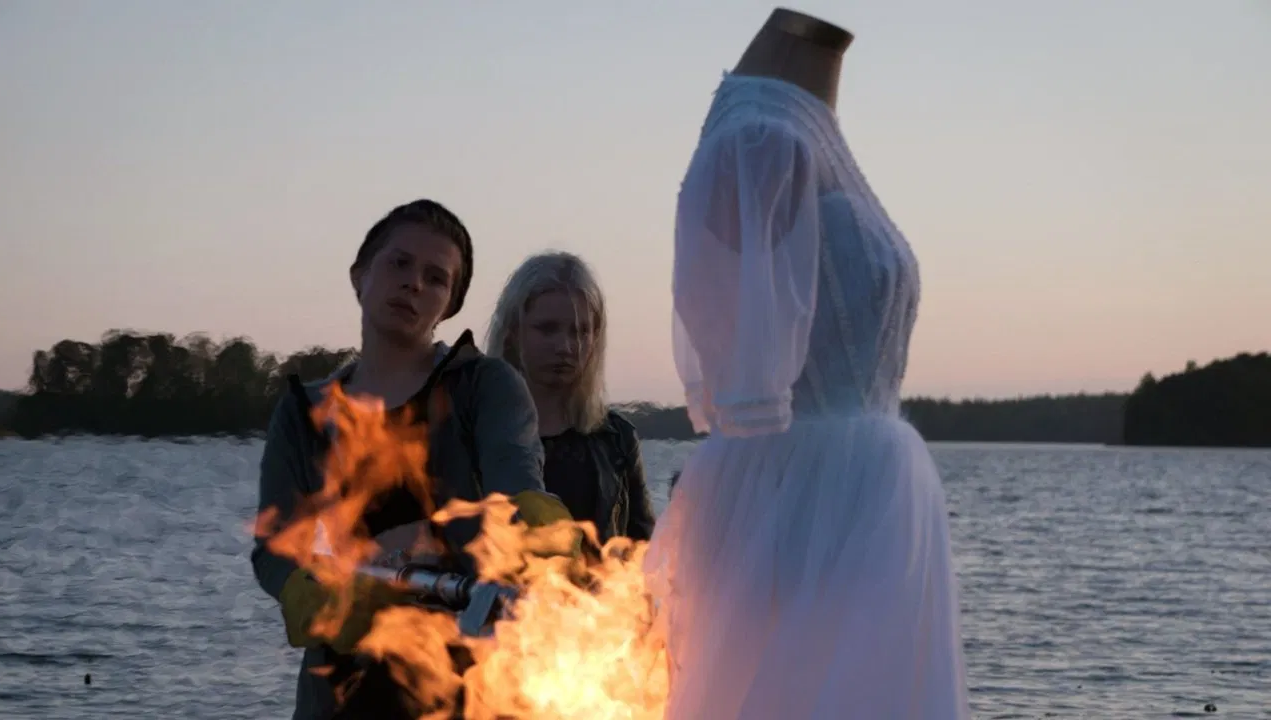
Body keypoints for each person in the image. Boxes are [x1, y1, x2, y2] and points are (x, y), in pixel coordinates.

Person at [644, 10, 970, 720]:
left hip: (856, 495)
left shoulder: (801, 123)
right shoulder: (759, 138)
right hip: (805, 499)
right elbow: (750, 383)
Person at [250, 199, 573, 720]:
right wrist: (301, 591)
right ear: (360, 276)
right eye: (398, 264)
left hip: (470, 681)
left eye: (435, 278)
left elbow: (515, 489)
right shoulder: (300, 411)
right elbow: (272, 546)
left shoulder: (486, 387)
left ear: (448, 305)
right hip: (341, 687)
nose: (414, 284)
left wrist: (533, 525)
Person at [485, 251, 656, 545]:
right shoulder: (477, 429)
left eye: (580, 332)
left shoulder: (616, 439)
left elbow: (642, 546)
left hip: (595, 590)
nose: (565, 347)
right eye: (547, 329)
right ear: (513, 331)